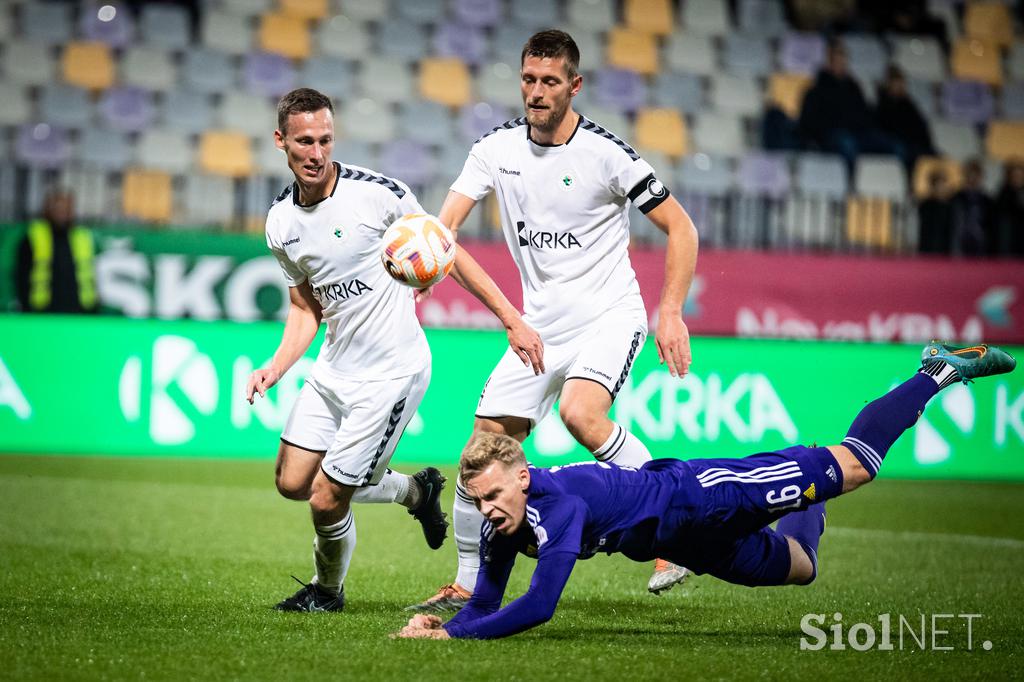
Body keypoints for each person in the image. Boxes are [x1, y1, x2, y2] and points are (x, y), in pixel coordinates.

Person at [395, 342, 1017, 639]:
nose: (488, 509)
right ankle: (807, 495)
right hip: (688, 541)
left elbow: (539, 607)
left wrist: (450, 637)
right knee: (801, 570)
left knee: (856, 465)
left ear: (523, 475)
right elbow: (487, 603)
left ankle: (935, 371)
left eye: (496, 494)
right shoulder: (507, 521)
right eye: (478, 502)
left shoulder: (560, 508)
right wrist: (439, 625)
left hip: (703, 496)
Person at [409, 29, 699, 611]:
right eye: (528, 80)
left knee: (581, 414)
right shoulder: (495, 150)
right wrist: (509, 316)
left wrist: (670, 311)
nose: (536, 92)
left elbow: (682, 228)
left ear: (574, 85)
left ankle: (677, 531)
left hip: (608, 316)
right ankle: (468, 587)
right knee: (479, 453)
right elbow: (440, 237)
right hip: (538, 325)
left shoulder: (606, 154)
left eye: (549, 81)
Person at [245, 88, 449, 612]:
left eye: (326, 140)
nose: (316, 153)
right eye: (305, 141)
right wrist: (275, 365)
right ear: (280, 141)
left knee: (325, 498)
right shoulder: (280, 223)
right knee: (293, 482)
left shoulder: (379, 195)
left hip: (390, 373)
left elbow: (443, 244)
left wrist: (510, 319)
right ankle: (415, 492)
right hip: (334, 369)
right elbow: (305, 308)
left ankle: (327, 592)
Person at [798, 41, 904, 172]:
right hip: (831, 136)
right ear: (828, 63)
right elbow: (809, 123)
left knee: (894, 145)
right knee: (847, 143)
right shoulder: (816, 90)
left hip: (858, 134)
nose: (841, 64)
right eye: (837, 60)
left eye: (843, 60)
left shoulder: (854, 88)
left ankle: (898, 182)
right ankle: (852, 184)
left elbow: (866, 115)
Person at [15, 189, 98, 314]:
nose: (62, 213)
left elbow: (91, 273)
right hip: (42, 309)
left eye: (66, 208)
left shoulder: (82, 236)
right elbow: (21, 274)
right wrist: (26, 306)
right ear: (47, 209)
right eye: (57, 208)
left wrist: (92, 307)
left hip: (78, 310)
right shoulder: (34, 235)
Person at [874, 65, 934, 174]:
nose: (899, 87)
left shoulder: (908, 104)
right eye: (896, 83)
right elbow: (885, 126)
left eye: (901, 83)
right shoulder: (883, 103)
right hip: (894, 142)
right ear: (889, 84)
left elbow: (920, 126)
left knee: (932, 153)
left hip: (911, 142)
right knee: (904, 150)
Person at [950, 159, 996, 257]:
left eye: (976, 175)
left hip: (982, 243)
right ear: (964, 176)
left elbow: (991, 226)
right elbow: (952, 224)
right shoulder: (956, 198)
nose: (973, 178)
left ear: (981, 177)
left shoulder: (988, 201)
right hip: (960, 243)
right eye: (970, 174)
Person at [917, 167, 954, 254]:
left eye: (943, 183)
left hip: (946, 249)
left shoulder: (951, 206)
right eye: (938, 183)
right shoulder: (926, 205)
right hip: (928, 248)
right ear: (932, 185)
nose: (940, 187)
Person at [994, 159, 1024, 257]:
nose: (1017, 178)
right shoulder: (1004, 192)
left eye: (1020, 175)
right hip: (1009, 236)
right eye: (1015, 175)